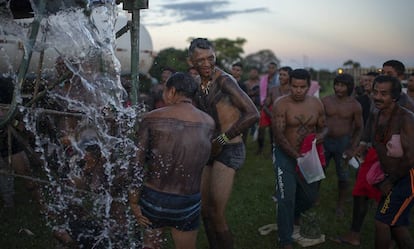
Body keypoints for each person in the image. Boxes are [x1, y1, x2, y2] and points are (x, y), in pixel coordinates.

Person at [129, 72, 215, 249]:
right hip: (188, 200)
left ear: (171, 91)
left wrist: (133, 201)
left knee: (151, 244)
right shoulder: (208, 122)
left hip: (154, 198)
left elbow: (136, 164)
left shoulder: (151, 118)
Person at [187, 38, 259, 249]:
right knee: (205, 211)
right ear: (191, 60)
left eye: (211, 58)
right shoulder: (197, 83)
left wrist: (222, 139)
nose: (207, 64)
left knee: (217, 213)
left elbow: (253, 114)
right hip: (209, 150)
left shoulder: (225, 81)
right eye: (201, 60)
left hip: (229, 149)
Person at [272, 68, 327, 249]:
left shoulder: (317, 104)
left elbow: (324, 127)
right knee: (286, 197)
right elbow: (279, 136)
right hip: (285, 155)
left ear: (308, 86)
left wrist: (319, 138)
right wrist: (296, 156)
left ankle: (291, 217)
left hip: (309, 157)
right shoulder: (281, 104)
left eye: (302, 87)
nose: (297, 90)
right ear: (290, 85)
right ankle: (285, 239)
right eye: (294, 86)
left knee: (310, 198)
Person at [368, 75, 414, 249]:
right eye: (375, 92)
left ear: (394, 96)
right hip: (391, 177)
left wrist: (390, 181)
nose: (377, 97)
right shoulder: (377, 114)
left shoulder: (406, 118)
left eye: (383, 93)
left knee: (382, 222)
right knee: (397, 226)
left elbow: (411, 158)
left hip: (407, 178)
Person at [321, 73, 363, 217]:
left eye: (342, 85)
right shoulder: (325, 100)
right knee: (318, 171)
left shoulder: (355, 105)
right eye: (337, 84)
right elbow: (317, 120)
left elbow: (359, 128)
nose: (338, 88)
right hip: (325, 141)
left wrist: (353, 147)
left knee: (343, 176)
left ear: (349, 87)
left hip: (343, 143)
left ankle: (340, 204)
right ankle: (313, 198)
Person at [257, 62, 279, 155]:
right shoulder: (264, 79)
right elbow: (261, 92)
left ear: (276, 69)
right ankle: (260, 148)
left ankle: (272, 150)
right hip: (265, 105)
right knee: (261, 128)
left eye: (272, 68)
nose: (270, 69)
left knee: (272, 130)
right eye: (269, 67)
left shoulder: (278, 79)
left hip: (275, 106)